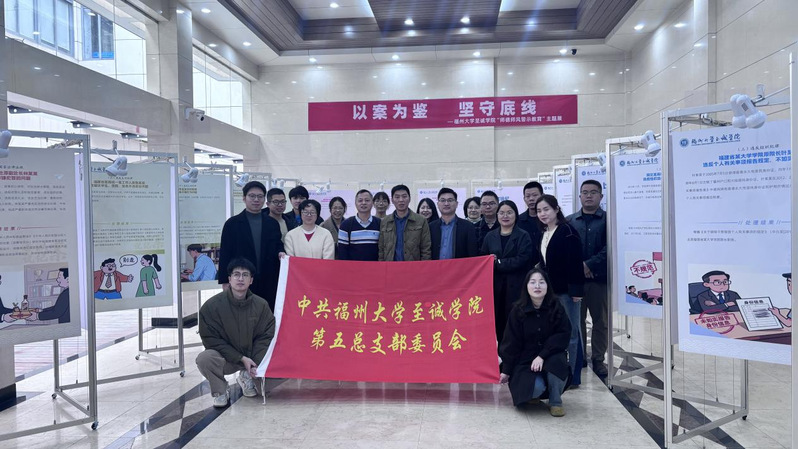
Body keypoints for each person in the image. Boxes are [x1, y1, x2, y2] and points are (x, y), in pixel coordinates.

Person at [197, 258, 280, 407]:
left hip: (254, 359)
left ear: (251, 280)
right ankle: (220, 390)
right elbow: (211, 340)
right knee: (204, 358)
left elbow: (266, 337)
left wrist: (254, 363)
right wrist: (240, 358)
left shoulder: (261, 305)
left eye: (245, 275)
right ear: (229, 279)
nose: (240, 279)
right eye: (236, 274)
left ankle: (247, 377)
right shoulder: (211, 307)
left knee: (286, 360)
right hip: (227, 359)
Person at [500, 269, 572, 417]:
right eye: (532, 282)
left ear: (547, 286)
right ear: (526, 286)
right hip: (525, 361)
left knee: (557, 365)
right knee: (534, 388)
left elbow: (563, 334)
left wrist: (542, 355)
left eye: (541, 282)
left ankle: (555, 401)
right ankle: (536, 393)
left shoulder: (556, 306)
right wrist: (506, 370)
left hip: (551, 356)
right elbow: (511, 342)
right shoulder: (517, 310)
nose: (537, 286)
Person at [536, 194, 585, 386]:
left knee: (571, 333)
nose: (543, 214)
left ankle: (572, 377)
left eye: (546, 209)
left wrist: (576, 291)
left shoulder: (568, 231)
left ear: (556, 209)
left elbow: (575, 262)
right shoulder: (545, 232)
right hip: (550, 292)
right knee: (556, 332)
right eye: (539, 211)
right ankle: (559, 373)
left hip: (567, 292)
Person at [218, 181, 284, 311]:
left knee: (267, 313)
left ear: (264, 199)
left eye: (260, 196)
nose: (256, 200)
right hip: (243, 279)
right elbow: (225, 253)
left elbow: (278, 245)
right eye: (252, 196)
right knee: (243, 314)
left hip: (269, 278)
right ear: (244, 198)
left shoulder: (272, 223)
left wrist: (281, 252)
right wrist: (225, 281)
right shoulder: (232, 224)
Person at [566, 179, 609, 377]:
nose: (589, 195)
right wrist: (580, 266)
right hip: (576, 280)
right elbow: (566, 249)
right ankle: (580, 356)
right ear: (580, 196)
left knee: (601, 321)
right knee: (577, 320)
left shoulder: (608, 220)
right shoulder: (570, 221)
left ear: (601, 196)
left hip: (599, 279)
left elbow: (610, 248)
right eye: (585, 192)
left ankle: (598, 359)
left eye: (593, 192)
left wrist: (589, 264)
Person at [480, 200, 532, 342]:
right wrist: (491, 262)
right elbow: (484, 259)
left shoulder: (523, 235)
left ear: (516, 215)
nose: (505, 216)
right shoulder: (490, 236)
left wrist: (498, 263)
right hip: (495, 287)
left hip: (517, 285)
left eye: (509, 212)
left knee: (515, 322)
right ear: (497, 215)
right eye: (502, 213)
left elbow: (523, 259)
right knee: (497, 322)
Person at [378, 185, 431, 261]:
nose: (401, 200)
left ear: (409, 199)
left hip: (413, 266)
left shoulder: (421, 221)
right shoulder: (385, 222)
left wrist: (423, 266)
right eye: (397, 197)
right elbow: (381, 249)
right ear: (392, 200)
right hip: (390, 266)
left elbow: (426, 249)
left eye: (404, 196)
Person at [430, 188, 478, 260]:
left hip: (460, 266)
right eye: (443, 200)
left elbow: (472, 254)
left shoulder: (468, 227)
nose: (446, 203)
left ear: (456, 204)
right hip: (435, 266)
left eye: (450, 200)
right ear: (438, 204)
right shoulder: (431, 227)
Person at [338, 189, 381, 261]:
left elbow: (382, 249)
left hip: (375, 266)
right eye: (360, 200)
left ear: (372, 203)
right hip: (353, 267)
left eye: (367, 200)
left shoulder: (380, 223)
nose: (363, 203)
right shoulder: (345, 225)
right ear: (355, 203)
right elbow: (342, 252)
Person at [516, 181, 544, 270]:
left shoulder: (548, 219)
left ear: (542, 196)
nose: (531, 199)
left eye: (535, 195)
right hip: (524, 268)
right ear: (524, 199)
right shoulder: (518, 220)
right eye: (527, 196)